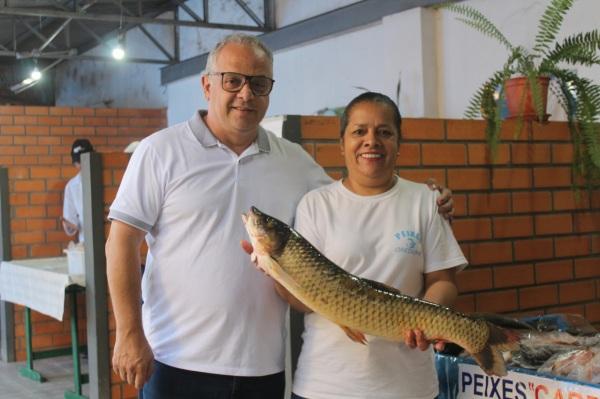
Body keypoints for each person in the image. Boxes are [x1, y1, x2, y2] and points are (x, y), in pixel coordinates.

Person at [106, 33, 454, 399]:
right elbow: (121, 241)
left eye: (259, 84)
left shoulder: (295, 162)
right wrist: (129, 332)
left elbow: (354, 196)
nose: (246, 94)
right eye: (233, 80)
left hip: (263, 368)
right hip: (174, 361)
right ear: (207, 85)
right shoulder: (159, 151)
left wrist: (431, 196)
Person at [268, 92, 468, 399]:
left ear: (399, 143)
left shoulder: (427, 201)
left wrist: (430, 319)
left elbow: (444, 281)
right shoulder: (315, 205)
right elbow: (303, 300)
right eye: (359, 131)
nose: (371, 141)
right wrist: (272, 267)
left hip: (409, 387)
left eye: (384, 132)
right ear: (342, 143)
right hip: (326, 385)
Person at [62, 138, 94, 243]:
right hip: (86, 243)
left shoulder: (106, 179)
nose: (81, 164)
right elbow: (71, 223)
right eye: (78, 161)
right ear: (75, 163)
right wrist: (69, 226)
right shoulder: (71, 187)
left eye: (84, 160)